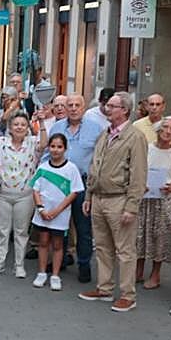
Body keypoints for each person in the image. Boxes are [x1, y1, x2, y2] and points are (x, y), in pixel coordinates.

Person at [79, 92, 149, 313]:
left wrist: (131, 206)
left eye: (112, 106)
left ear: (124, 110)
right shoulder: (105, 134)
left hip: (119, 199)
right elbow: (95, 166)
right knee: (102, 246)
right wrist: (89, 195)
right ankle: (104, 287)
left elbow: (139, 175)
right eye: (107, 105)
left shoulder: (135, 137)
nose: (107, 109)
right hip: (99, 197)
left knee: (125, 249)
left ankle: (128, 295)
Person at [48, 94, 107, 283]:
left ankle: (84, 264)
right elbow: (47, 153)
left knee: (83, 227)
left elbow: (100, 157)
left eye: (77, 105)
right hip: (60, 182)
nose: (73, 108)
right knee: (60, 225)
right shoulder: (57, 127)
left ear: (84, 108)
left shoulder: (96, 129)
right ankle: (61, 258)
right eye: (70, 105)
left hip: (83, 184)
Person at [0, 111, 47, 278]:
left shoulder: (32, 143)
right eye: (16, 124)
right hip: (3, 194)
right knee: (2, 230)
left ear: (27, 128)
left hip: (24, 195)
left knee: (21, 231)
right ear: (10, 127)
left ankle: (19, 265)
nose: (19, 127)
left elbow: (44, 144)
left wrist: (41, 122)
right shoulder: (1, 142)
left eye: (23, 125)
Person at [135, 117, 171, 291]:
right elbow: (138, 171)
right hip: (145, 198)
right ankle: (138, 270)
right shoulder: (146, 149)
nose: (168, 131)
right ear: (158, 129)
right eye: (165, 127)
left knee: (160, 236)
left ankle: (155, 274)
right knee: (141, 234)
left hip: (164, 200)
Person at [30, 133, 84, 291]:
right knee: (43, 241)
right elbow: (35, 189)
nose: (56, 150)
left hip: (60, 215)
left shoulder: (71, 169)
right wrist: (41, 208)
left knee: (58, 244)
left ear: (65, 149)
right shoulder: (43, 167)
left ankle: (55, 275)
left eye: (59, 147)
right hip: (43, 213)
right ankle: (41, 273)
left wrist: (57, 210)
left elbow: (74, 192)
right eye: (52, 146)